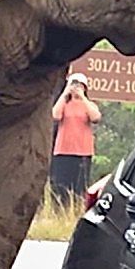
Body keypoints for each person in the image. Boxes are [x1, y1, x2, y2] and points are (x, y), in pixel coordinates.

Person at [50, 73, 102, 204]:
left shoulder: (89, 105)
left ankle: (77, 209)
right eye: (74, 84)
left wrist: (82, 97)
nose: (76, 87)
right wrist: (65, 93)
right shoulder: (64, 104)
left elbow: (95, 117)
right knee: (60, 185)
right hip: (63, 150)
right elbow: (55, 115)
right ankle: (60, 211)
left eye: (79, 85)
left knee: (79, 186)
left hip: (83, 151)